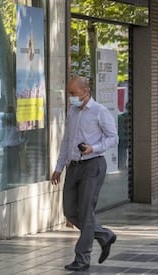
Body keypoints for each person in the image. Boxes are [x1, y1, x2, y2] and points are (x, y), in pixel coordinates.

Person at [51, 76, 119, 272]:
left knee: (86, 211)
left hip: (93, 165)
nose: (70, 97)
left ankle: (82, 258)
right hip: (74, 166)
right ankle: (104, 235)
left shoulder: (99, 111)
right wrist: (59, 166)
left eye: (73, 93)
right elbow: (67, 141)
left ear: (85, 91)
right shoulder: (72, 112)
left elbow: (113, 138)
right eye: (69, 93)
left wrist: (93, 148)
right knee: (70, 211)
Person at [0, 105, 23, 188]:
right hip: (11, 147)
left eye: (10, 112)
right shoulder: (5, 125)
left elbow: (0, 136)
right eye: (8, 112)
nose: (9, 115)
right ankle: (10, 183)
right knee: (11, 168)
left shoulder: (16, 125)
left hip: (13, 148)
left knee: (12, 168)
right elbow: (20, 138)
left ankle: (13, 183)